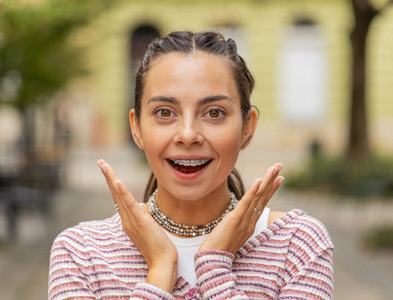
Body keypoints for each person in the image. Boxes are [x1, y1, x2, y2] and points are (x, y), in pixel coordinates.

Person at [48, 31, 334, 299]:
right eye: (164, 112)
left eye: (213, 113)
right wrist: (160, 271)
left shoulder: (296, 245)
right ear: (136, 128)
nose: (187, 135)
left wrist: (216, 269)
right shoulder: (81, 253)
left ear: (247, 128)